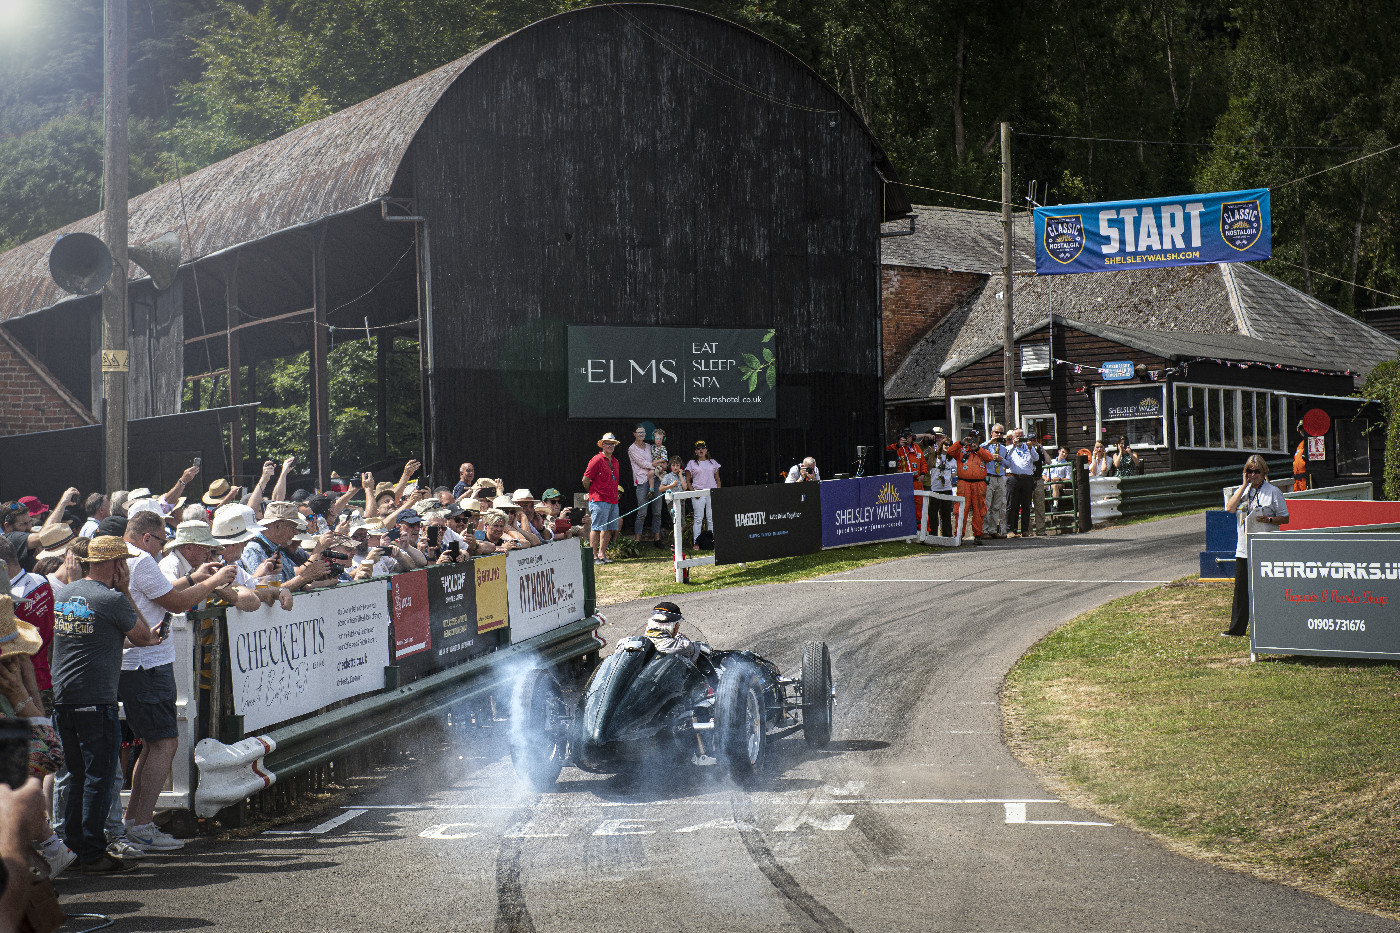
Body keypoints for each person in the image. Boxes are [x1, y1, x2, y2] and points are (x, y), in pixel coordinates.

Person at [122, 511, 238, 852]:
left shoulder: (130, 559)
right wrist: (213, 582)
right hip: (147, 664)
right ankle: (141, 824)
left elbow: (158, 594)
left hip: (139, 663)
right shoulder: (142, 560)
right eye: (161, 541)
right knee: (165, 743)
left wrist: (193, 579)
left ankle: (134, 821)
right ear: (147, 539)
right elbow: (173, 603)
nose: (163, 547)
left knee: (153, 743)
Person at [52, 536, 161, 872]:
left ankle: (73, 848)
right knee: (98, 778)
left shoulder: (66, 593)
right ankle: (92, 852)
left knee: (76, 776)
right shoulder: (113, 599)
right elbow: (144, 637)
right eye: (122, 564)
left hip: (64, 698)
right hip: (95, 699)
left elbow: (99, 637)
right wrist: (126, 589)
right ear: (116, 565)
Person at [1222, 456, 1288, 638]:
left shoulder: (1273, 492)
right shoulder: (1242, 491)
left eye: (1256, 471)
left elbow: (1285, 517)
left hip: (1265, 546)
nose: (1252, 475)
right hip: (1244, 547)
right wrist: (1244, 485)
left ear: (1264, 472)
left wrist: (1269, 520)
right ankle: (1237, 629)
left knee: (1265, 589)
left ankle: (1269, 627)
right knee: (1241, 590)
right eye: (1249, 471)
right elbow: (1229, 508)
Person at [946, 428, 996, 541]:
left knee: (979, 510)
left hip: (979, 484)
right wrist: (961, 442)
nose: (972, 439)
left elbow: (989, 458)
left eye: (974, 437)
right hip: (964, 483)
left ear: (979, 439)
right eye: (970, 437)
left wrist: (977, 449)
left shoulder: (982, 450)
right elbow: (949, 451)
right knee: (961, 509)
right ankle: (959, 535)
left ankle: (978, 535)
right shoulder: (961, 449)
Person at [583, 433, 623, 563]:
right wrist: (592, 492)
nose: (610, 446)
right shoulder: (596, 459)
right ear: (603, 445)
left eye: (613, 444)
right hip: (599, 500)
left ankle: (602, 554)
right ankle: (593, 556)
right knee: (596, 527)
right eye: (608, 443)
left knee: (610, 528)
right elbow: (586, 479)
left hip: (613, 500)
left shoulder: (616, 462)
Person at [886, 428, 929, 525]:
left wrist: (923, 474)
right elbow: (884, 451)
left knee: (920, 508)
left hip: (916, 482)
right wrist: (898, 445)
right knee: (904, 507)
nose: (908, 438)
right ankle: (906, 530)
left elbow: (923, 463)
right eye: (906, 436)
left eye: (910, 436)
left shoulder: (916, 447)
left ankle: (921, 530)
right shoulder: (897, 448)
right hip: (902, 483)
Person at [628, 426, 662, 543]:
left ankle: (657, 539)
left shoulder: (649, 446)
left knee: (657, 511)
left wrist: (662, 464)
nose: (641, 434)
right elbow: (642, 463)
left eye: (643, 432)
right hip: (642, 482)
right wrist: (657, 466)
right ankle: (638, 540)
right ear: (634, 434)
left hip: (656, 480)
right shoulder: (632, 448)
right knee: (642, 512)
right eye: (639, 432)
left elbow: (658, 456)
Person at [1004, 429, 1040, 538]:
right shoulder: (1009, 448)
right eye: (1017, 437)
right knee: (1011, 505)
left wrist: (1030, 448)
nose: (1019, 439)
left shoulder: (1029, 448)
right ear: (1013, 438)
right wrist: (1014, 446)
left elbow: (1036, 458)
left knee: (1026, 505)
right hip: (1013, 478)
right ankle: (1011, 530)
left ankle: (1025, 530)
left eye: (1021, 436)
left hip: (1027, 478)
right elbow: (1006, 460)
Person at [684, 441, 722, 548]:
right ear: (695, 451)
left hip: (711, 492)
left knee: (711, 518)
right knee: (698, 518)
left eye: (703, 448)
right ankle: (696, 542)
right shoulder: (692, 463)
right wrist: (693, 492)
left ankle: (712, 541)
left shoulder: (713, 462)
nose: (701, 450)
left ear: (706, 450)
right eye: (698, 448)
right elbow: (687, 479)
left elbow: (717, 479)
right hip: (698, 493)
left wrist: (718, 492)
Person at [925, 431, 956, 537]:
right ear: (941, 444)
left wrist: (950, 477)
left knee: (946, 514)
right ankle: (933, 535)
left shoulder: (952, 458)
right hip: (935, 488)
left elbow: (958, 470)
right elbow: (929, 467)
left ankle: (947, 536)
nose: (947, 446)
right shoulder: (934, 455)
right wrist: (930, 455)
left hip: (947, 488)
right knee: (933, 514)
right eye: (945, 444)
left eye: (949, 445)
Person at [981, 425, 1010, 538]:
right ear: (991, 433)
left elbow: (1009, 464)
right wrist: (989, 442)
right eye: (996, 432)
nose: (998, 435)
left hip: (1000, 477)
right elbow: (977, 449)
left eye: (1001, 433)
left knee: (997, 505)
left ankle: (993, 529)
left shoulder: (1003, 449)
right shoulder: (986, 446)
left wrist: (1001, 459)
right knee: (987, 504)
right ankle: (985, 530)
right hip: (989, 477)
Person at [1046, 447, 1072, 513]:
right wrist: (1046, 478)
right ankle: (1033, 506)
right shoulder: (1051, 462)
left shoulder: (1067, 465)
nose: (1064, 454)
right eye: (1063, 452)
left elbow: (1068, 478)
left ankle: (1055, 505)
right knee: (1037, 486)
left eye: (1066, 453)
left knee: (1055, 485)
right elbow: (1043, 474)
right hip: (1049, 481)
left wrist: (1058, 479)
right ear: (1059, 451)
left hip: (1060, 482)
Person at [1292, 422, 1310, 492]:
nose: (1302, 430)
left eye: (1304, 428)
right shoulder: (1300, 445)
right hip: (1297, 481)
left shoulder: (1311, 443)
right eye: (1301, 428)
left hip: (1305, 481)